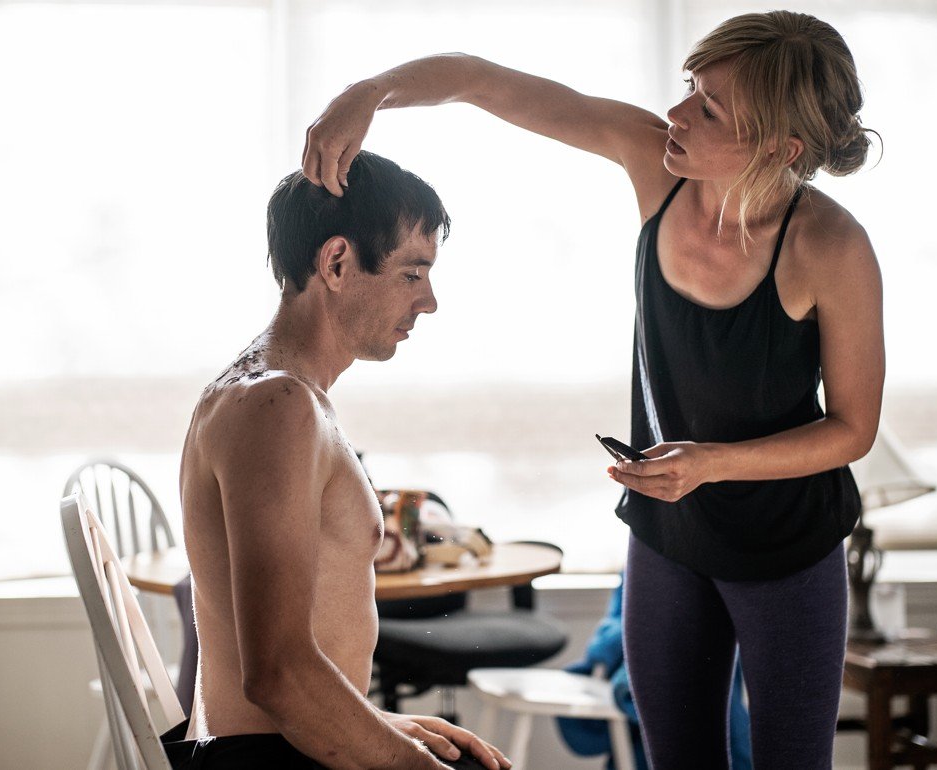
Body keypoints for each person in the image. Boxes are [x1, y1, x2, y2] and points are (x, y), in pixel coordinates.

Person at [302, 11, 884, 770]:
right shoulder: (656, 164)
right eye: (688, 88)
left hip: (790, 548)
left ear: (782, 146)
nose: (676, 114)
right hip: (667, 540)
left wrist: (710, 463)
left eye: (709, 108)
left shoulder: (831, 246)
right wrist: (371, 92)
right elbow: (484, 81)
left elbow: (852, 430)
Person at [172, 151, 511, 770]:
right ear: (336, 263)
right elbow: (275, 676)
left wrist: (380, 724)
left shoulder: (277, 395)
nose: (429, 301)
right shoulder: (275, 407)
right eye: (413, 273)